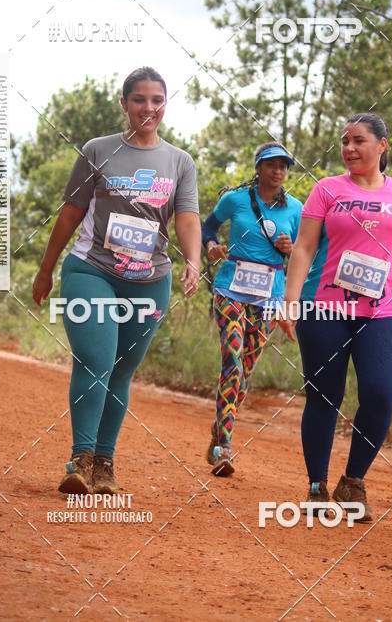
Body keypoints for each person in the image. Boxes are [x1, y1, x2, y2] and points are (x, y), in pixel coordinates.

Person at [33, 68, 201, 496]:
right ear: (124, 103)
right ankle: (81, 458)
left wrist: (194, 260)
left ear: (165, 104)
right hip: (92, 270)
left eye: (157, 100)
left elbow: (186, 217)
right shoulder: (98, 150)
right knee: (95, 358)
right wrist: (46, 268)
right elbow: (71, 212)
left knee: (122, 370)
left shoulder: (180, 162)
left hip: (149, 280)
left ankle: (105, 464)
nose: (149, 108)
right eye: (140, 99)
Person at [281, 113, 392, 522]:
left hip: (380, 311)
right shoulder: (328, 189)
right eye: (345, 141)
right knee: (325, 395)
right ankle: (316, 486)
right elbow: (304, 247)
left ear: (382, 145)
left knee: (381, 395)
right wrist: (291, 299)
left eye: (359, 140)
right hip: (324, 308)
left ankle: (353, 481)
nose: (349, 148)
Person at [201, 142, 302, 476]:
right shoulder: (236, 199)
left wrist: (291, 248)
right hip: (231, 289)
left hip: (269, 297)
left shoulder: (295, 209)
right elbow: (207, 227)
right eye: (271, 165)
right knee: (232, 360)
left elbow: (305, 253)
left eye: (283, 166)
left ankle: (220, 427)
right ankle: (224, 447)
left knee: (244, 370)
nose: (278, 171)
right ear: (257, 167)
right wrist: (212, 246)